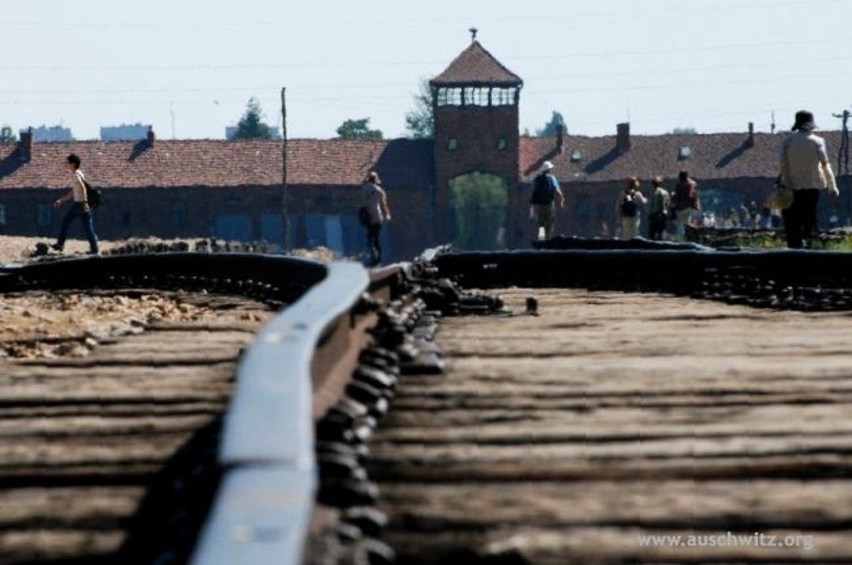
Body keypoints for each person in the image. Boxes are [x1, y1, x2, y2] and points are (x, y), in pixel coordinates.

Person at [779, 110, 839, 248]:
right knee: (809, 217)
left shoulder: (788, 141)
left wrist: (785, 182)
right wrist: (832, 186)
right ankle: (810, 245)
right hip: (812, 185)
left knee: (793, 219)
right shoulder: (818, 141)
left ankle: (795, 247)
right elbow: (825, 165)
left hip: (792, 186)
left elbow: (783, 165)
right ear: (811, 125)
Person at [51, 153, 99, 255]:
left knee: (66, 221)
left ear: (72, 164)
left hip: (79, 204)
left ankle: (60, 244)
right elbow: (74, 192)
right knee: (87, 227)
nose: (65, 164)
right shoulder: (79, 173)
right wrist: (62, 200)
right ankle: (94, 248)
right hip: (82, 204)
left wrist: (85, 202)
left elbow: (82, 187)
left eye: (67, 163)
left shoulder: (76, 175)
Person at [360, 170, 391, 266]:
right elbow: (384, 205)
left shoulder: (364, 188)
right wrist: (387, 215)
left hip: (368, 215)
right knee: (376, 238)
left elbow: (362, 202)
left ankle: (373, 257)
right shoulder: (379, 190)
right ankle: (378, 258)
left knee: (370, 238)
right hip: (378, 216)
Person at [529, 160, 564, 240]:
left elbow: (533, 192)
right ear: (549, 170)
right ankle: (548, 238)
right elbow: (557, 191)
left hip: (539, 204)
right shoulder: (552, 178)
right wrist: (561, 200)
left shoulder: (537, 179)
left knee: (541, 221)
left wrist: (533, 204)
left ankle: (541, 237)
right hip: (549, 203)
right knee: (549, 221)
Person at [671, 170, 699, 241]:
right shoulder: (691, 184)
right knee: (687, 223)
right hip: (690, 208)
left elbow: (676, 196)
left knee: (680, 225)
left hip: (680, 209)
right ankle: (693, 232)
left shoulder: (679, 185)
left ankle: (681, 241)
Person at [647, 176, 670, 240]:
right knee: (661, 232)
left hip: (654, 215)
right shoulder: (665, 192)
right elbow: (668, 204)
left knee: (652, 233)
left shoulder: (653, 192)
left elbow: (651, 204)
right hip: (663, 215)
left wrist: (649, 214)